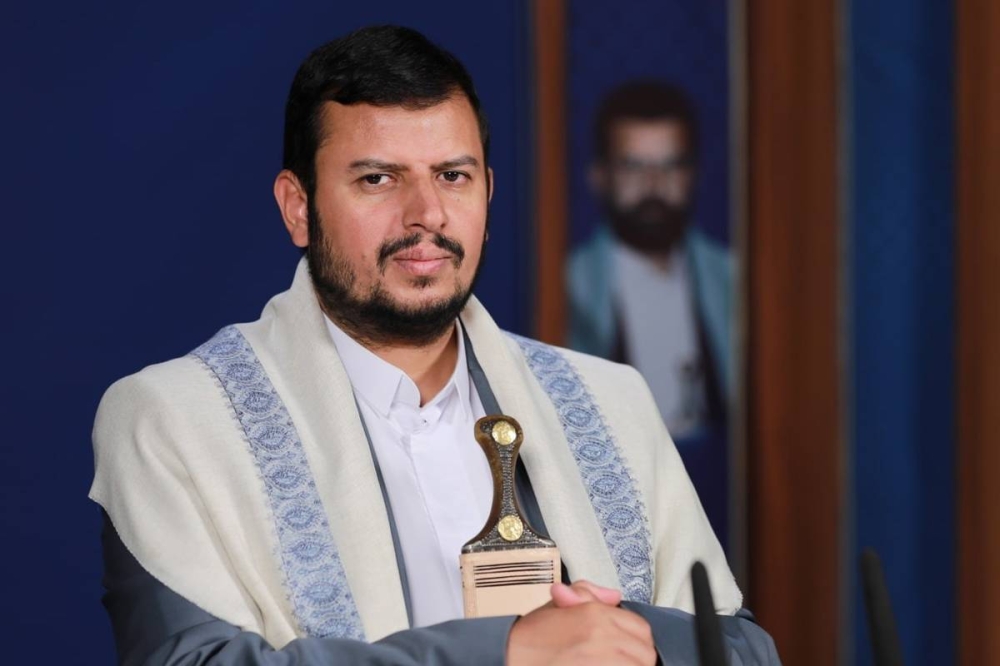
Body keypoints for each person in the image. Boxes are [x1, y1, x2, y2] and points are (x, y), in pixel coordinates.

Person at [90, 26, 778, 665]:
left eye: (453, 176)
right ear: (299, 208)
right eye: (378, 179)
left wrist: (615, 636)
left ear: (487, 194)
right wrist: (507, 651)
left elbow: (740, 647)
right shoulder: (173, 420)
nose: (427, 215)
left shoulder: (610, 400)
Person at [567, 81, 732, 442]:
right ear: (599, 176)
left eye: (670, 166)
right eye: (633, 168)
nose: (654, 185)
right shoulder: (569, 287)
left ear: (693, 175)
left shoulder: (731, 280)